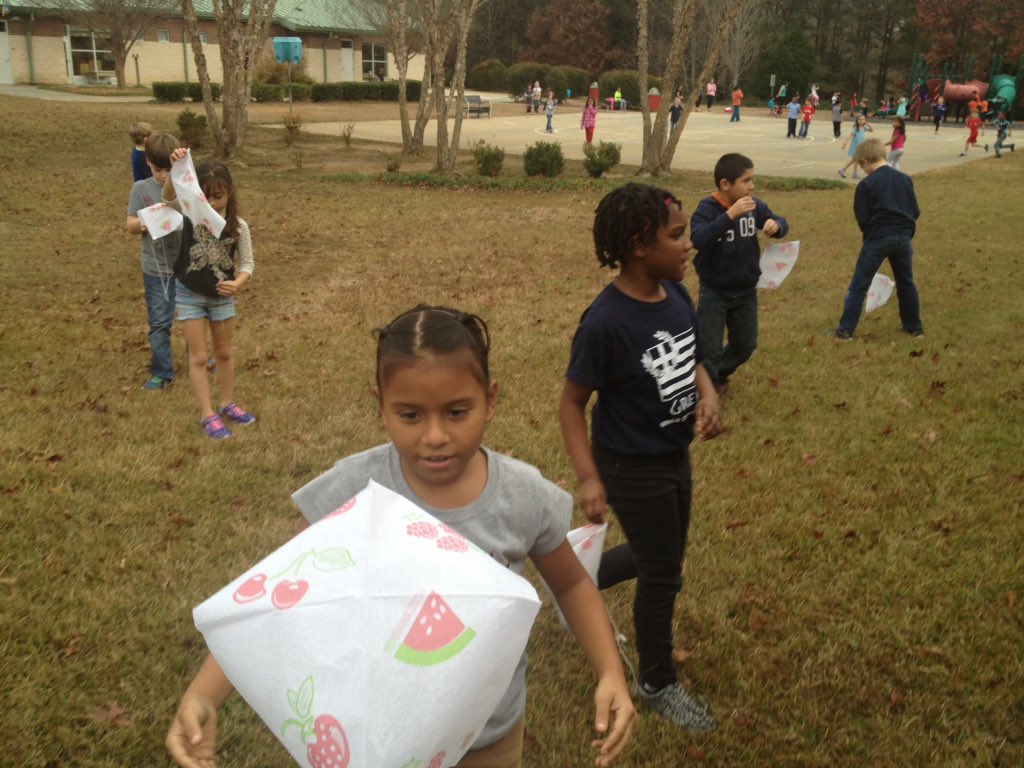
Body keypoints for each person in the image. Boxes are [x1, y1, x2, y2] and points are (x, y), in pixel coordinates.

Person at [167, 305, 636, 768]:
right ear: (381, 407)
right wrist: (204, 694)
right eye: (410, 415)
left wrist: (610, 671)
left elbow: (572, 584)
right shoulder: (352, 491)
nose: (434, 435)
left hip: (489, 737)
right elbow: (281, 603)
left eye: (456, 411)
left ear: (490, 400)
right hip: (380, 735)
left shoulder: (523, 496)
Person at [559, 183, 723, 732]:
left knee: (665, 554)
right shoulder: (606, 322)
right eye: (676, 236)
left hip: (673, 454)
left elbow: (695, 359)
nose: (689, 245)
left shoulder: (676, 296)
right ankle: (656, 680)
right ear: (637, 246)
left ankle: (576, 584)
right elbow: (572, 404)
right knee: (663, 575)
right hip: (629, 465)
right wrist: (589, 478)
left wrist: (708, 393)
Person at [162, 148, 255, 439]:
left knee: (225, 352)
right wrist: (175, 166)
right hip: (189, 294)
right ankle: (208, 414)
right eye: (206, 197)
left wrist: (238, 283)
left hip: (222, 299)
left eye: (218, 196)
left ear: (229, 193)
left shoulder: (238, 226)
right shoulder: (190, 214)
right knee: (200, 357)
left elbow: (248, 263)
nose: (212, 203)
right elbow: (167, 197)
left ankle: (228, 404)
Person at [690, 154, 789, 394]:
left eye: (752, 180)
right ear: (725, 184)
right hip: (715, 291)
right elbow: (699, 239)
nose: (751, 186)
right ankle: (705, 391)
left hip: (745, 290)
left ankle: (719, 373)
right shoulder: (708, 209)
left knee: (745, 344)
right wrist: (729, 215)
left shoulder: (754, 206)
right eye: (746, 181)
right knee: (710, 349)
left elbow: (780, 222)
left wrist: (776, 226)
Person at [834, 138, 922, 340]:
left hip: (878, 238)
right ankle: (914, 328)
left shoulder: (866, 185)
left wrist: (872, 232)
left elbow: (863, 217)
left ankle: (845, 330)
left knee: (859, 285)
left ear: (865, 160)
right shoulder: (905, 179)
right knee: (906, 282)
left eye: (861, 165)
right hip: (904, 238)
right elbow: (915, 210)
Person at [126, 132, 181, 390]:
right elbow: (131, 225)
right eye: (159, 170)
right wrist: (152, 220)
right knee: (160, 321)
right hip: (155, 268)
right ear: (148, 163)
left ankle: (200, 357)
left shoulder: (186, 187)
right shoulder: (141, 189)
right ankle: (162, 371)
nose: (164, 176)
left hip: (185, 266)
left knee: (194, 316)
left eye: (170, 170)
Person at [839, 114, 874, 178]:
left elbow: (872, 131)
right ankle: (854, 173)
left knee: (854, 159)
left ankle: (843, 170)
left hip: (861, 146)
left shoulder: (864, 127)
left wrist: (868, 125)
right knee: (856, 160)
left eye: (863, 119)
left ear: (865, 121)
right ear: (857, 120)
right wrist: (845, 143)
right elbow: (851, 136)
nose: (861, 121)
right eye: (860, 119)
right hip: (855, 146)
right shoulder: (855, 128)